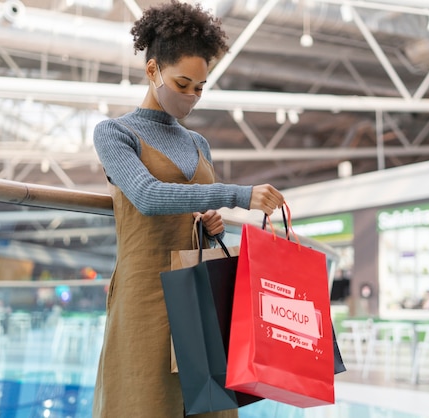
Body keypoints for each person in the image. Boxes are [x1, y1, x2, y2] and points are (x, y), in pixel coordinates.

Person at [91, 2, 285, 417]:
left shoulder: (199, 144)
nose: (192, 97)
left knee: (209, 406)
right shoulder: (114, 133)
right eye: (183, 83)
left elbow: (193, 210)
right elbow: (146, 196)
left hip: (201, 295)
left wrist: (212, 227)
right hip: (146, 296)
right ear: (152, 70)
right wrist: (236, 195)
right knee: (143, 403)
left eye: (200, 87)